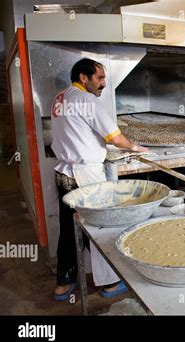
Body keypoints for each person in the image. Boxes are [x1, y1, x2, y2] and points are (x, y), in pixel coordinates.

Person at [52, 58, 148, 301]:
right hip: (86, 175)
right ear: (84, 78)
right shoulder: (85, 99)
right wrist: (135, 147)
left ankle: (64, 283)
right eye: (100, 78)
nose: (103, 83)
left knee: (68, 228)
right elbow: (115, 137)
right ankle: (110, 283)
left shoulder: (60, 98)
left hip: (64, 173)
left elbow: (78, 131)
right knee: (100, 228)